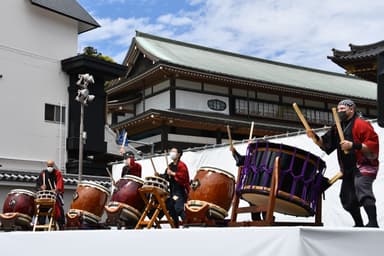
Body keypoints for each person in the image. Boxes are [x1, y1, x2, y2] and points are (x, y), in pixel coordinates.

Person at [307, 99, 379, 227]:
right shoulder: (338, 127)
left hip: (363, 165)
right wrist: (315, 138)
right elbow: (326, 144)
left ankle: (373, 222)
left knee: (362, 189)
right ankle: (359, 224)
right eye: (338, 109)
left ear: (351, 109)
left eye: (342, 109)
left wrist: (353, 145)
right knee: (347, 198)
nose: (339, 111)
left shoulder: (362, 124)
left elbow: (373, 145)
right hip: (347, 169)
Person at [230, 142, 266, 221]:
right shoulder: (253, 158)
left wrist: (234, 153)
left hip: (256, 188)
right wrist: (234, 152)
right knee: (258, 210)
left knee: (259, 211)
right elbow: (240, 160)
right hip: (261, 189)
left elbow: (239, 160)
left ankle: (262, 222)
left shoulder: (255, 158)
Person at [157, 147, 190, 227]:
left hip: (180, 189)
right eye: (171, 151)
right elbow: (166, 177)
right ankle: (176, 225)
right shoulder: (170, 166)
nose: (171, 153)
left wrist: (172, 173)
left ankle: (187, 224)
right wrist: (159, 175)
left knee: (179, 208)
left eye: (173, 151)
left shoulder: (182, 165)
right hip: (172, 189)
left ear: (178, 154)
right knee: (170, 207)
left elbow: (184, 177)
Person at [36, 160, 65, 229]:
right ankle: (39, 226)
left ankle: (60, 224)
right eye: (49, 166)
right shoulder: (43, 173)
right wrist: (41, 187)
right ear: (47, 166)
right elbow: (38, 184)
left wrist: (56, 189)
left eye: (51, 166)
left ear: (53, 166)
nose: (50, 167)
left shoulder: (57, 173)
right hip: (44, 196)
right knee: (40, 211)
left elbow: (59, 183)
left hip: (54, 196)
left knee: (59, 209)